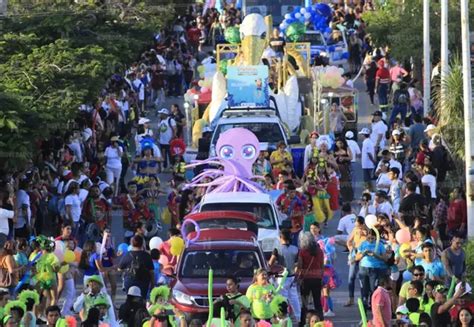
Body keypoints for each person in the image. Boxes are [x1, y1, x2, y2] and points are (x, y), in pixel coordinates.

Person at [268, 229, 301, 323]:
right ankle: (299, 318)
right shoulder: (295, 249)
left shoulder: (277, 249)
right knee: (294, 298)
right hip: (292, 276)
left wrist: (270, 270)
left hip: (281, 277)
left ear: (281, 237)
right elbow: (297, 264)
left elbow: (270, 263)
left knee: (283, 297)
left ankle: (284, 319)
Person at [356, 229, 388, 308]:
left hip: (374, 269)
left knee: (373, 290)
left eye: (372, 238)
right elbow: (357, 258)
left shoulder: (380, 245)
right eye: (368, 238)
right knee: (364, 291)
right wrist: (364, 254)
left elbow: (385, 258)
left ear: (375, 238)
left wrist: (375, 255)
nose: (370, 240)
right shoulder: (363, 244)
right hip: (363, 268)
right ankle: (364, 313)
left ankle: (373, 307)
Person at [297, 232, 324, 323]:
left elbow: (300, 266)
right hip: (317, 278)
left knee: (304, 303)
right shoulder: (319, 251)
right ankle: (320, 321)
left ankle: (303, 322)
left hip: (306, 279)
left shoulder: (303, 251)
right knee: (317, 302)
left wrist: (298, 276)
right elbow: (322, 265)